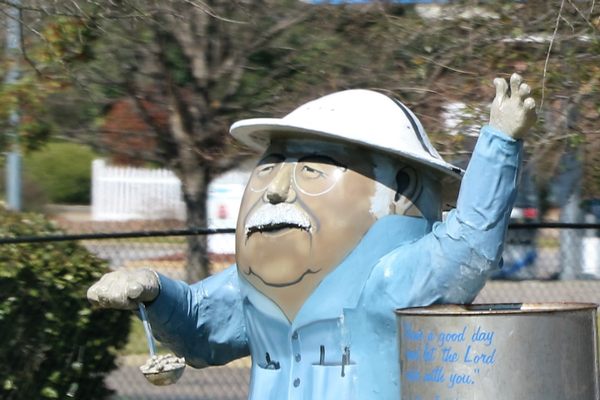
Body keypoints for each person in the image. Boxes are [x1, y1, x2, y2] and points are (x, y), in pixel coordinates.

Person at [88, 73, 536, 399]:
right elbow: (201, 329)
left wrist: (498, 143)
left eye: (312, 170)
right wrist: (154, 293)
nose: (278, 190)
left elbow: (469, 244)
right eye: (270, 166)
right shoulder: (254, 290)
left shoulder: (391, 279)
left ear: (402, 189)